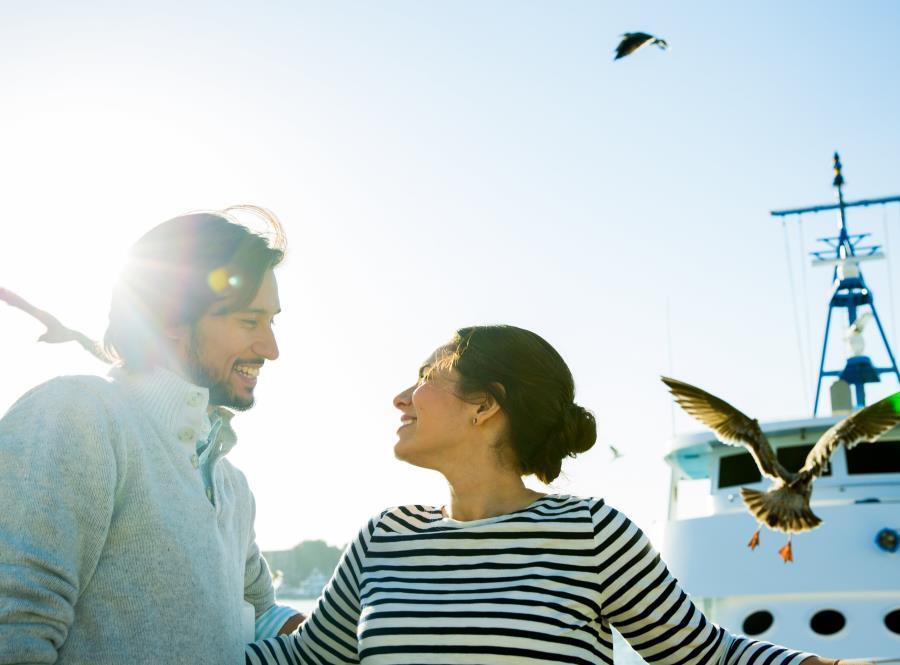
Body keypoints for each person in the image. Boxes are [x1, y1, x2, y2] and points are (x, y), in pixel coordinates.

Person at [247, 325, 858, 665]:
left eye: (425, 379)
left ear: (486, 405)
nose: (401, 398)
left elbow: (704, 656)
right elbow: (302, 662)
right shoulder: (385, 536)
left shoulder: (592, 533)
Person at [0, 208, 302, 664]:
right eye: (248, 321)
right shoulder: (76, 416)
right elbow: (13, 626)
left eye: (271, 321)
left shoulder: (231, 485)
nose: (271, 349)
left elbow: (260, 618)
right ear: (170, 321)